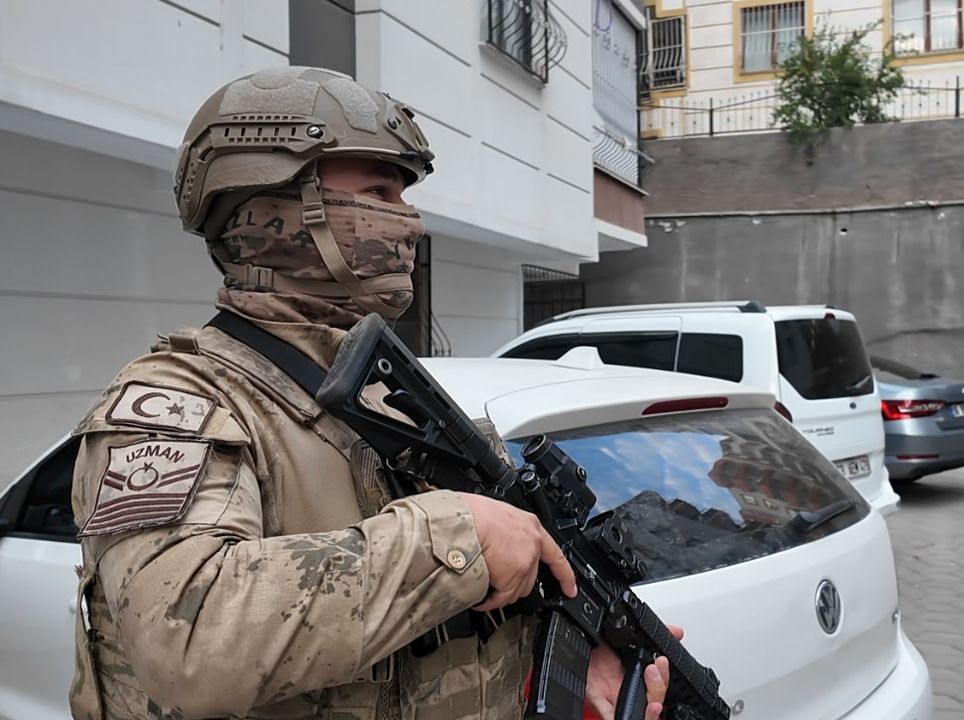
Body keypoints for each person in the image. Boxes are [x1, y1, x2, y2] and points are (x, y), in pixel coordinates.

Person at [68, 66, 674, 720]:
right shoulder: (181, 401)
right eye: (380, 191)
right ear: (271, 209)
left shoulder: (393, 400)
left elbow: (448, 633)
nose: (409, 219)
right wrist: (455, 538)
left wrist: (583, 656)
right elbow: (188, 639)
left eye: (404, 195)